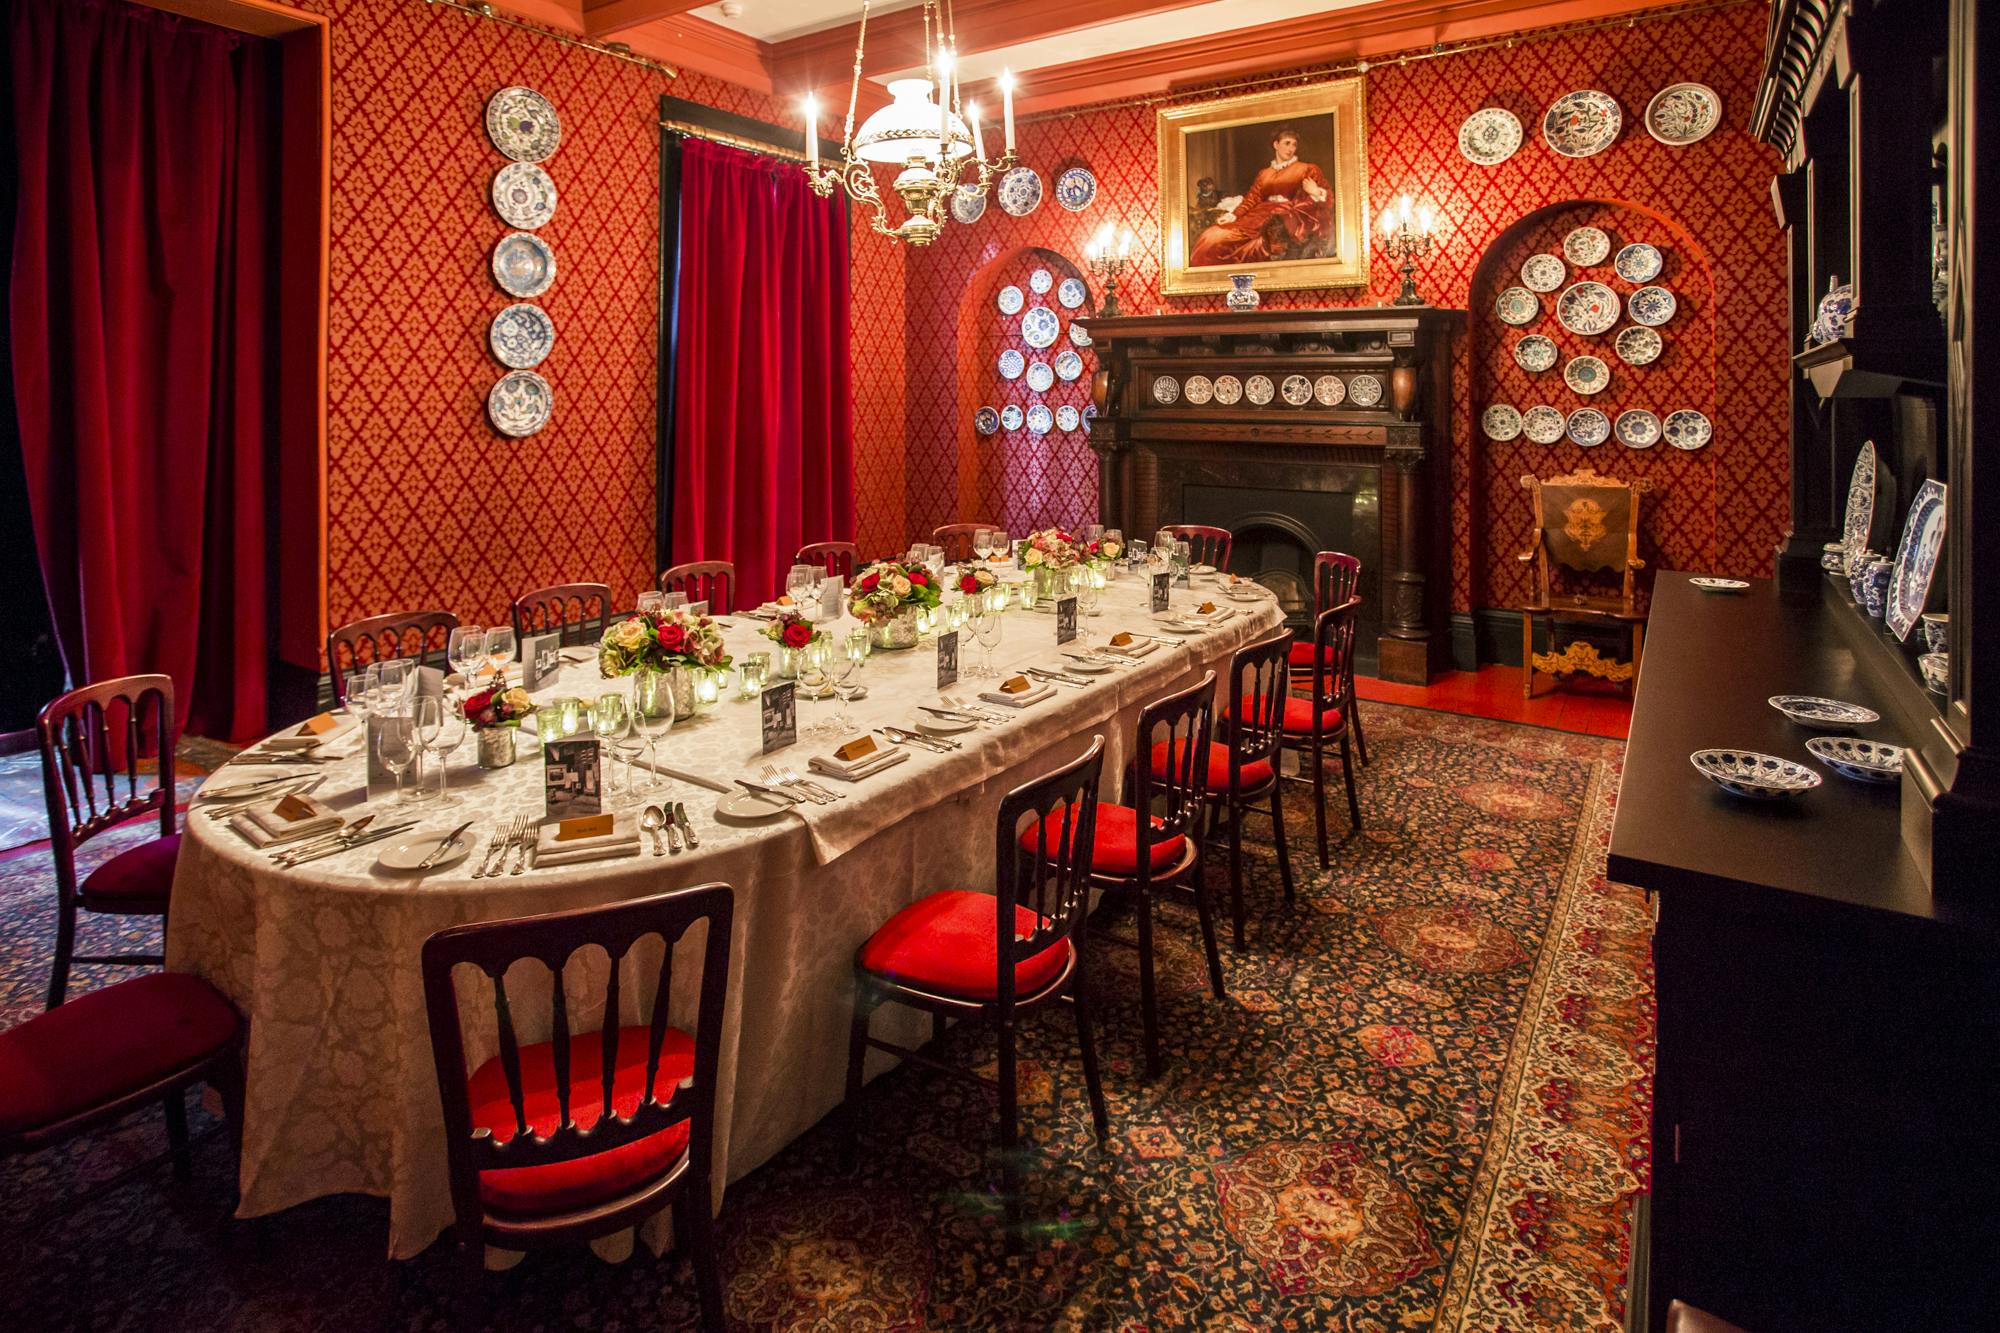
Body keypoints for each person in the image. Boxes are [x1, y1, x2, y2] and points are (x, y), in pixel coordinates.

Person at [1188, 124, 1332, 267]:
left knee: (1251, 245)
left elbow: (1326, 198)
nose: (1291, 149)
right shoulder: (1264, 174)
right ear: (1276, 144)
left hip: (1282, 216)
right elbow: (1252, 198)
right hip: (1257, 215)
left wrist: (1316, 192)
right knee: (1212, 234)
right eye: (1287, 143)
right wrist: (1234, 215)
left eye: (1294, 145)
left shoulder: (1306, 169)